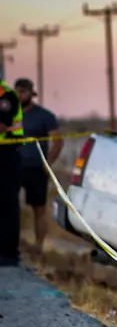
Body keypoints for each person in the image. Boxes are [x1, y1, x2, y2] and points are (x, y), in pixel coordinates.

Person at [15, 78, 63, 257]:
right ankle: (12, 243)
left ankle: (39, 246)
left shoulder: (45, 116)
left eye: (23, 92)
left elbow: (58, 142)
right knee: (9, 207)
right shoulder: (9, 114)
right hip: (13, 167)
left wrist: (47, 164)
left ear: (30, 93)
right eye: (17, 91)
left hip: (36, 168)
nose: (20, 95)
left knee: (38, 208)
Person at [0, 79, 24, 267]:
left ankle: (9, 254)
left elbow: (2, 125)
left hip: (6, 154)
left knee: (7, 205)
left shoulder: (6, 95)